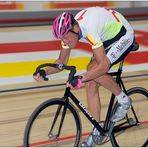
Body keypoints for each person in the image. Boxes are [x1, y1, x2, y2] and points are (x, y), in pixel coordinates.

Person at [34, 6, 135, 147]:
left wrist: (80, 78)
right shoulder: (69, 33)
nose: (65, 41)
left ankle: (124, 100)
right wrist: (44, 71)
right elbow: (61, 62)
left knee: (93, 70)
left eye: (66, 37)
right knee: (91, 81)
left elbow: (103, 66)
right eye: (62, 38)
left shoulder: (90, 28)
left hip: (122, 34)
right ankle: (97, 131)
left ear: (75, 28)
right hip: (105, 37)